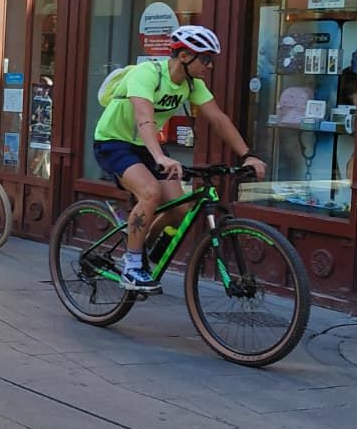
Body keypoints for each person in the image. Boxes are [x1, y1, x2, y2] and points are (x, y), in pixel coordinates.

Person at [92, 25, 265, 294]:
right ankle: (132, 265)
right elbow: (143, 117)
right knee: (149, 192)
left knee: (179, 210)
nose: (209, 66)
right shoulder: (147, 73)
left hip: (146, 146)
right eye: (206, 59)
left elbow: (219, 120)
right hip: (114, 142)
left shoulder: (192, 85)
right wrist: (160, 156)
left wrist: (248, 155)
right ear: (185, 56)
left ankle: (142, 242)